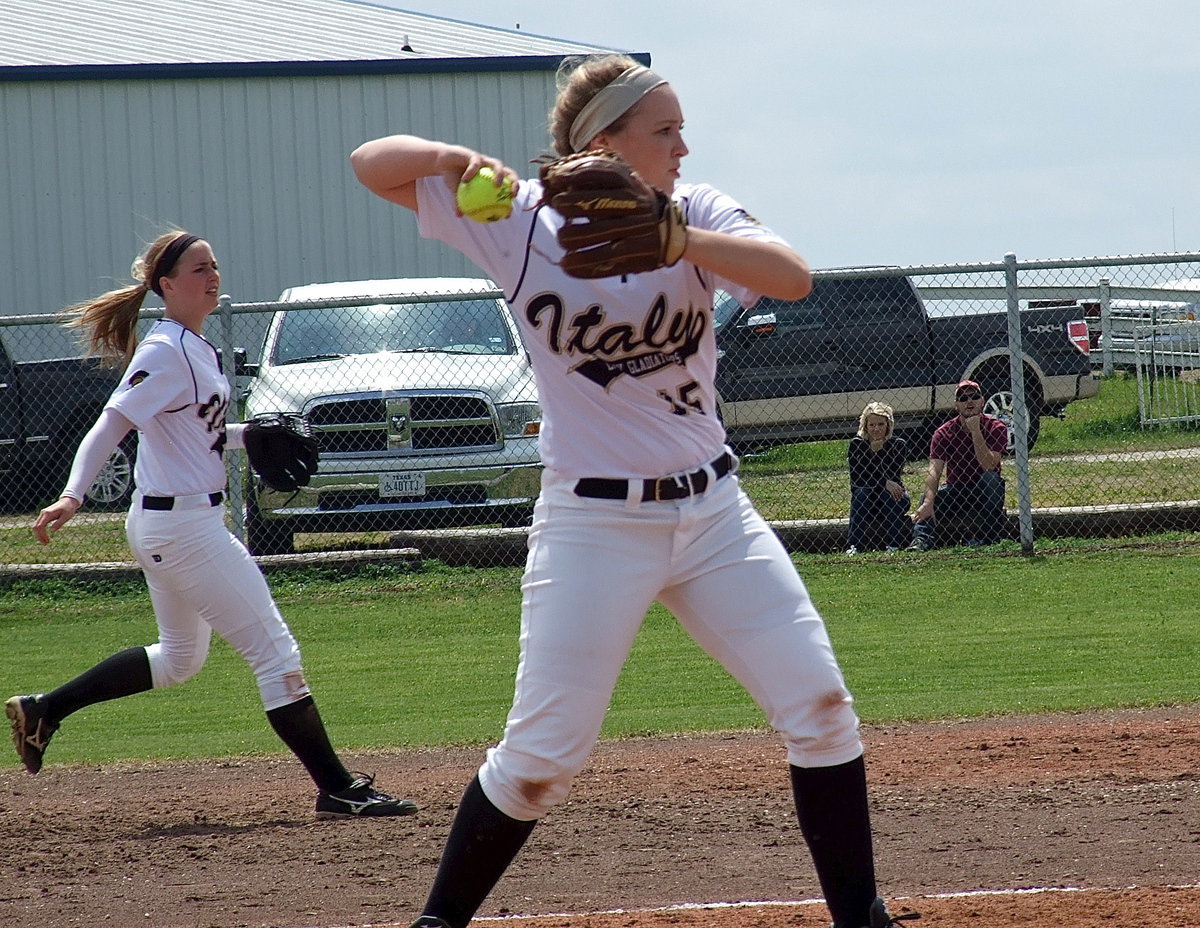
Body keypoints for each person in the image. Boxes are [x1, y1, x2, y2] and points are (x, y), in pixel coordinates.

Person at [351, 54, 917, 928]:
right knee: (541, 758)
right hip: (593, 522)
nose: (683, 147)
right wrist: (453, 160)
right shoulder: (516, 215)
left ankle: (860, 919)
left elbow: (791, 275)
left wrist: (673, 237)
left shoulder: (694, 211)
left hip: (715, 514)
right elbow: (371, 165)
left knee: (822, 710)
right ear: (604, 143)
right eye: (665, 131)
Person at [7, 231, 418, 821]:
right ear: (167, 285)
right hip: (184, 531)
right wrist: (73, 495)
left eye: (214, 266)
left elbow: (190, 433)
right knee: (276, 655)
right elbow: (112, 423)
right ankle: (338, 789)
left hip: (177, 523)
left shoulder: (196, 347)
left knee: (179, 660)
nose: (212, 276)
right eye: (199, 269)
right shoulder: (164, 350)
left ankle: (46, 709)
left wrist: (246, 435)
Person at [909, 379, 1008, 551]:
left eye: (974, 397)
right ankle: (921, 541)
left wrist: (975, 431)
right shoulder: (943, 432)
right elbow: (934, 471)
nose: (969, 401)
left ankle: (989, 539)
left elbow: (989, 465)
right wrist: (929, 502)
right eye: (963, 398)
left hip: (983, 489)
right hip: (956, 489)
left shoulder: (996, 427)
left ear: (982, 401)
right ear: (956, 405)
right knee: (927, 497)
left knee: (992, 479)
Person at [846, 402, 911, 555]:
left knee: (890, 494)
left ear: (888, 425)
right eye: (872, 425)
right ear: (865, 426)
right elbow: (858, 479)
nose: (876, 429)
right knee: (862, 493)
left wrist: (879, 453)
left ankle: (894, 544)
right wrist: (882, 481)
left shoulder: (898, 445)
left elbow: (893, 476)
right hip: (867, 500)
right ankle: (854, 545)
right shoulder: (857, 444)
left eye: (881, 424)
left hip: (891, 498)